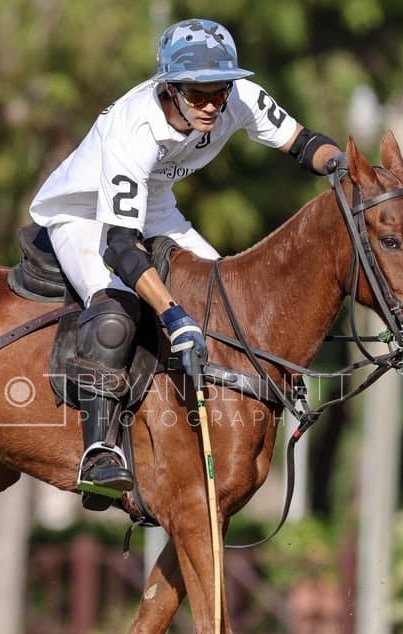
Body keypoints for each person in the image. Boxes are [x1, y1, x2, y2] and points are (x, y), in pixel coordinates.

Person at [29, 18, 344, 506]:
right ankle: (99, 452)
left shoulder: (237, 98)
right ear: (169, 89)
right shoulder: (132, 129)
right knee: (116, 311)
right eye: (198, 94)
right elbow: (121, 246)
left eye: (220, 91)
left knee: (231, 305)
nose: (212, 105)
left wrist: (345, 168)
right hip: (84, 213)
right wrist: (173, 313)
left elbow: (303, 144)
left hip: (156, 206)